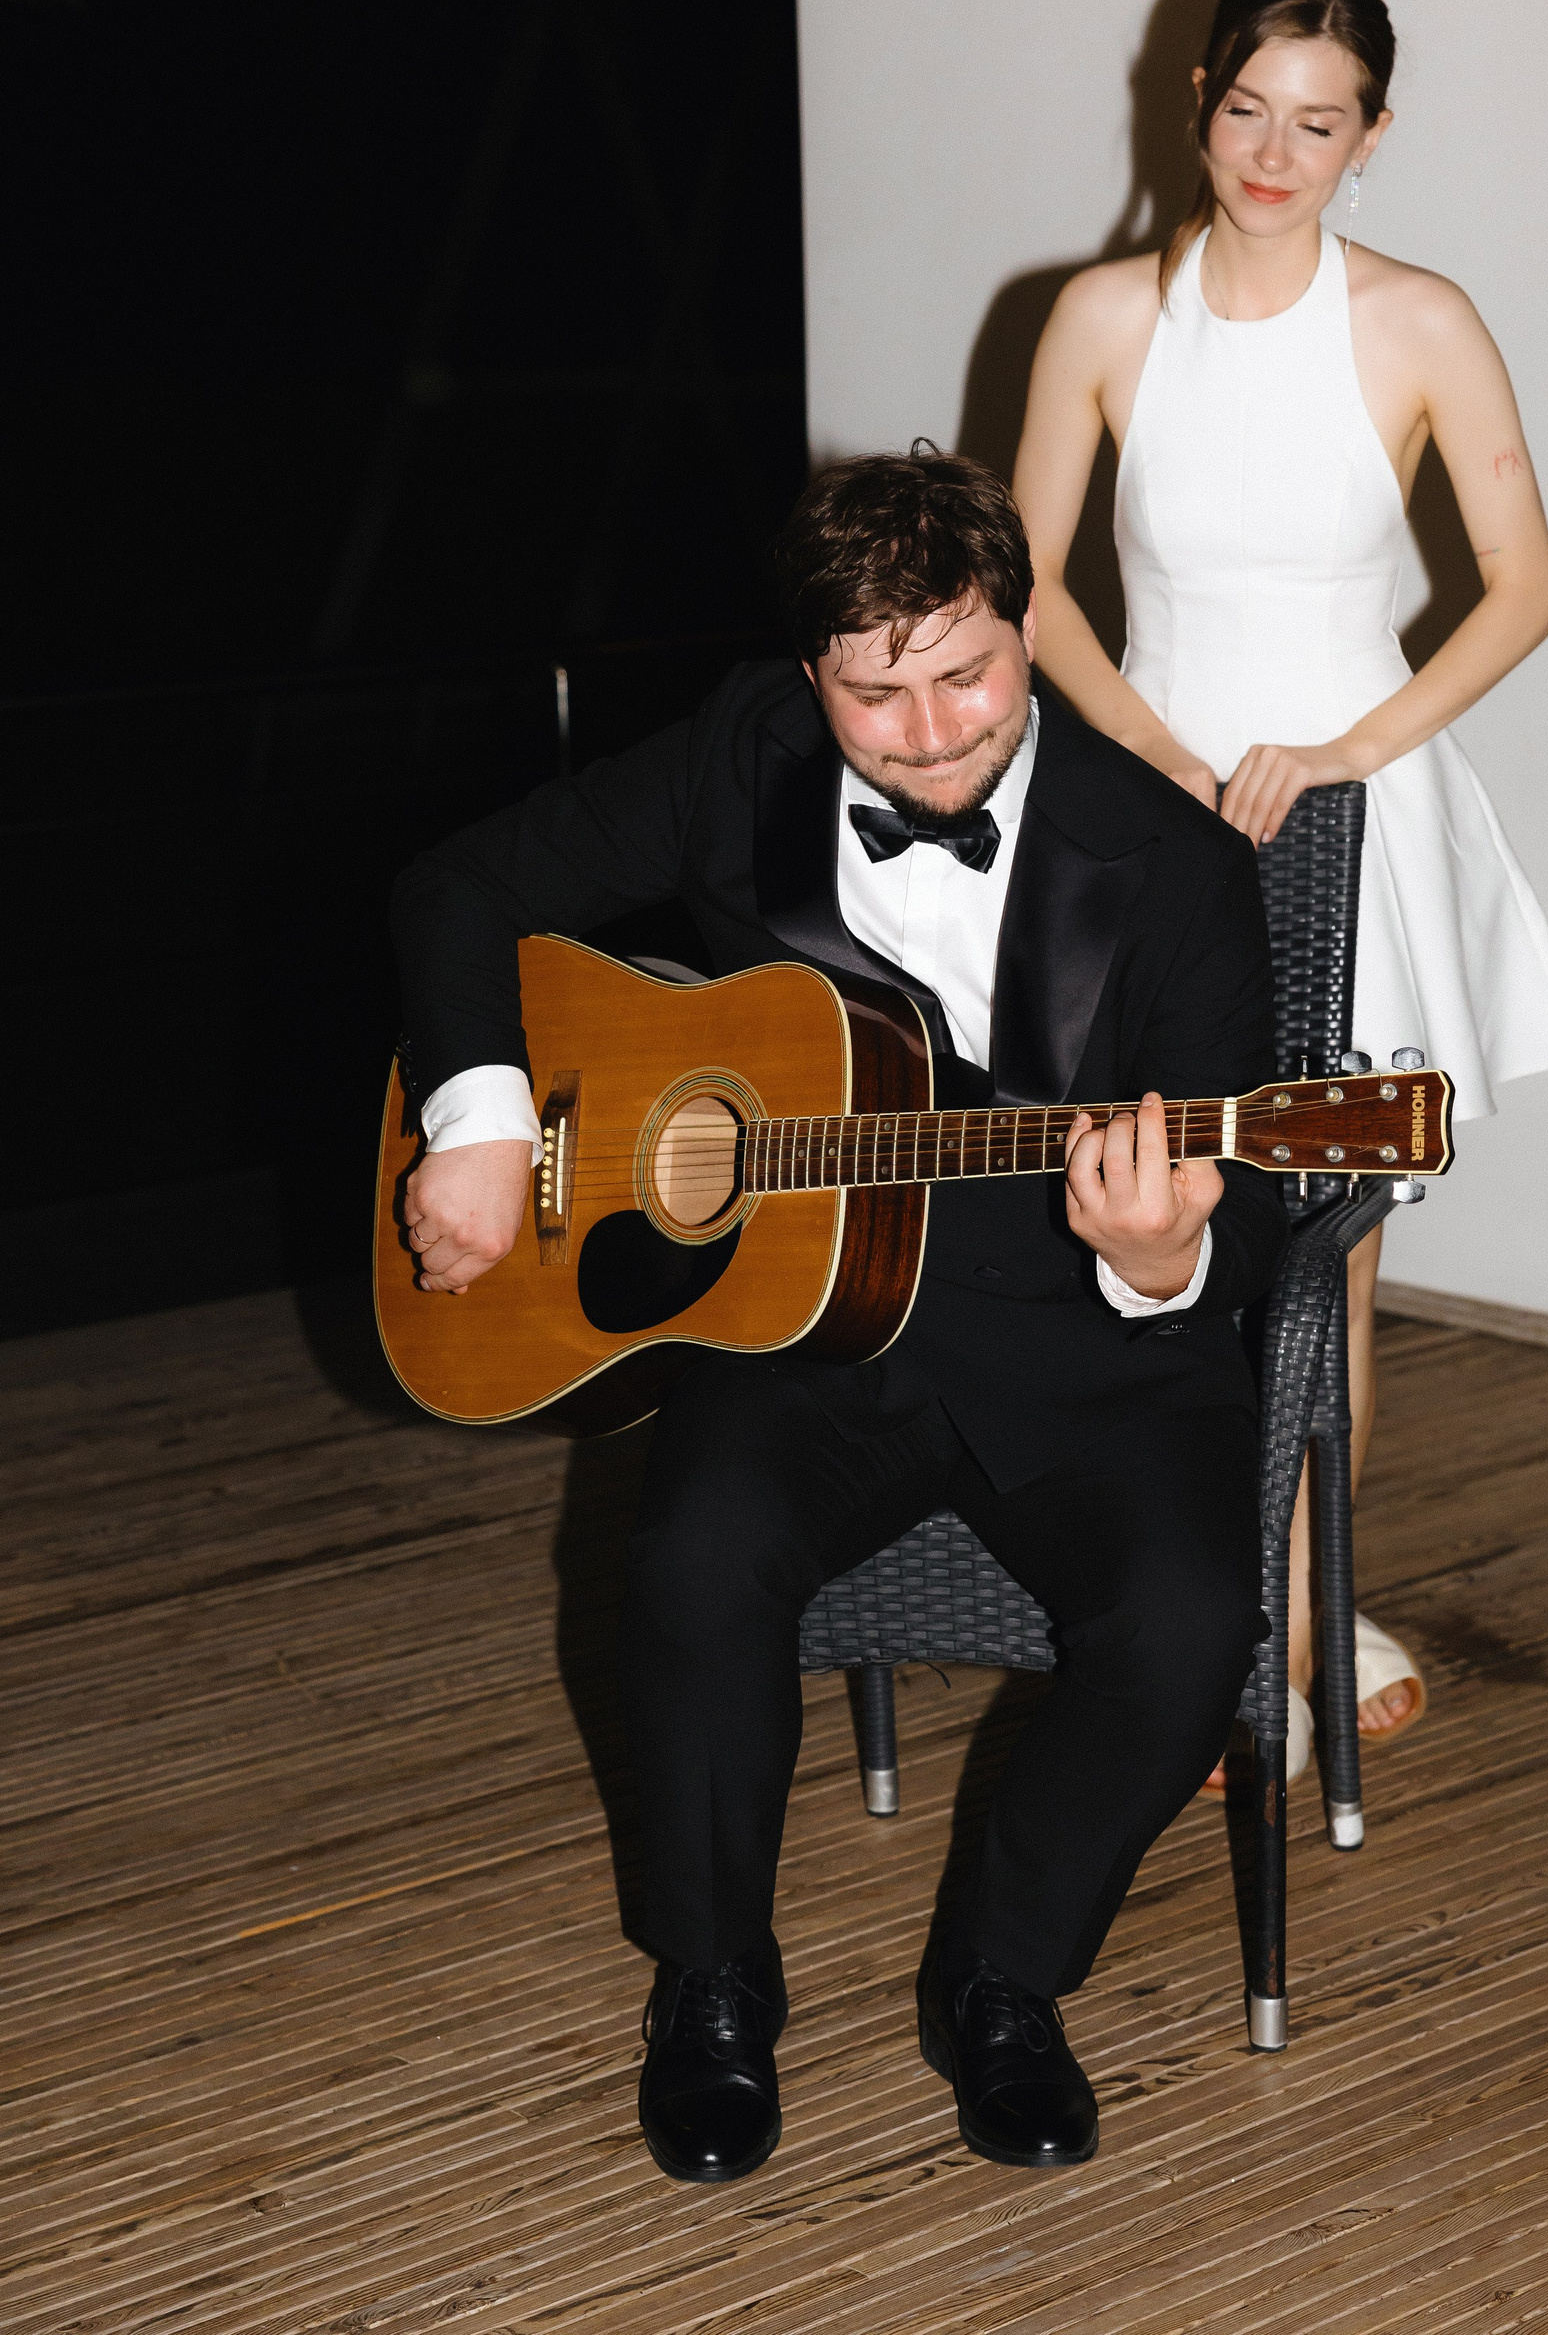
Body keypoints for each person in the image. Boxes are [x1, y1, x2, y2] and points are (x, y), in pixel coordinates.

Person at [389, 450, 1286, 2185]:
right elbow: (458, 889)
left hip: (1089, 1348)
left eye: (969, 673)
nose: (933, 734)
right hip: (809, 1324)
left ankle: (1002, 1981)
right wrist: (485, 1126)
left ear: (1030, 626)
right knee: (690, 1563)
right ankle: (713, 1980)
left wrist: (1162, 1252)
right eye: (877, 695)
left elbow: (1243, 1214)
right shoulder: (743, 754)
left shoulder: (1172, 859)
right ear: (810, 675)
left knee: (1190, 1627)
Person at [1011, 0, 1548, 1781]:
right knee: (1141, 1215)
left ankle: (1301, 1609)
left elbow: (1525, 589)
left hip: (1349, 816)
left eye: (1320, 123)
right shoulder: (1101, 314)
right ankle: (1172, 1602)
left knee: (1323, 1252)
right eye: (1250, 109)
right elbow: (1028, 587)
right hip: (1144, 813)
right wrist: (1155, 756)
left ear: (1372, 135)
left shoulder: (1421, 320)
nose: (1277, 152)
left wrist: (1346, 749)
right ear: (1199, 98)